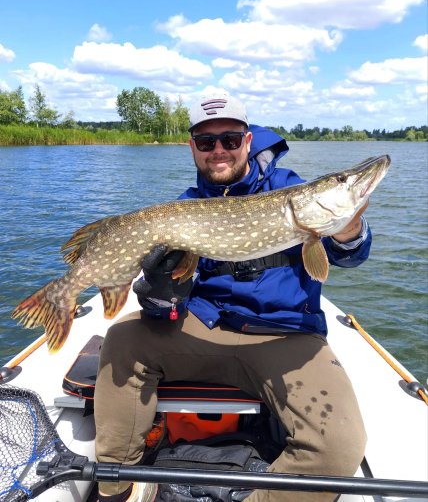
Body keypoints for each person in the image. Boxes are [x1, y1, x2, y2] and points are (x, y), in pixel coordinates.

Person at [94, 93, 370, 502]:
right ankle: (116, 487)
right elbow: (166, 306)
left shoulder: (290, 189)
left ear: (248, 140)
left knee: (339, 446)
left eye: (230, 139)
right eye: (206, 142)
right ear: (192, 147)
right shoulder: (186, 207)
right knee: (123, 338)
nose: (218, 150)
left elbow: (350, 256)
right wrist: (160, 291)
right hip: (206, 326)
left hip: (286, 335)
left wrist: (349, 231)